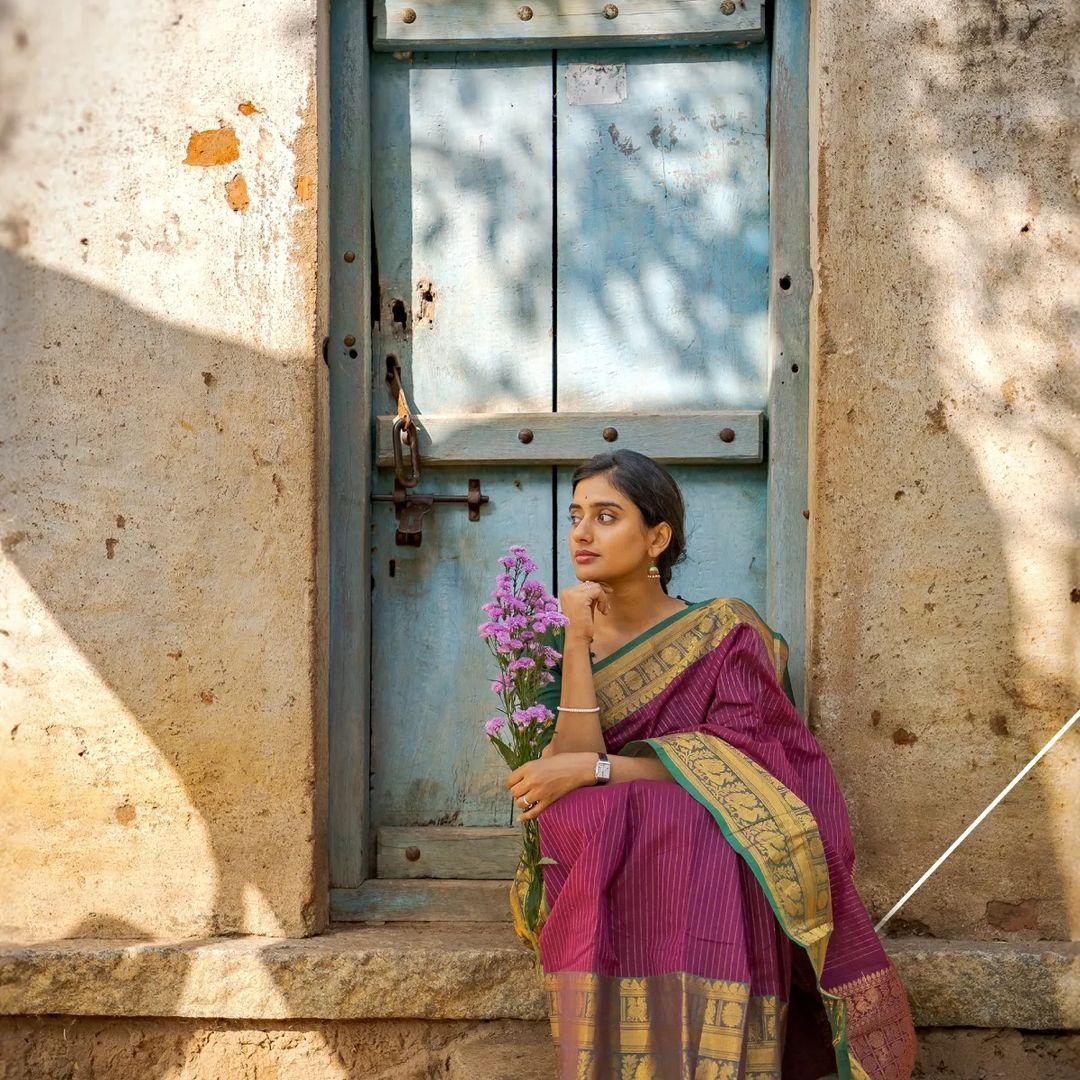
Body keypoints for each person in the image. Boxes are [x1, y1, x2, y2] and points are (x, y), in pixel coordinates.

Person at [505, 450, 917, 1080]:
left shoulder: (723, 633)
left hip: (693, 827)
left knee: (687, 815)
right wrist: (579, 646)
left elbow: (750, 759)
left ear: (657, 538)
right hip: (601, 830)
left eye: (606, 516)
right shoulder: (556, 637)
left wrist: (602, 771)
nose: (581, 533)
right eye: (576, 515)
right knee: (605, 809)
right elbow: (564, 767)